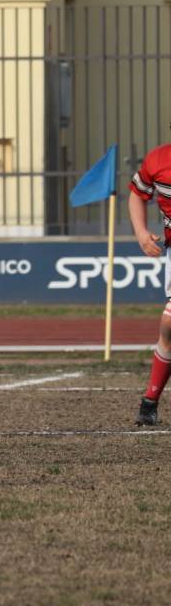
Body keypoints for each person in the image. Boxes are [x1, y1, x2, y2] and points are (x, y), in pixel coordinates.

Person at [130, 141, 171, 425]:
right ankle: (149, 402)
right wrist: (142, 233)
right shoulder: (158, 159)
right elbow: (137, 194)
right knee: (169, 327)